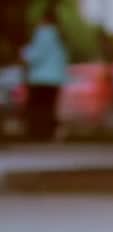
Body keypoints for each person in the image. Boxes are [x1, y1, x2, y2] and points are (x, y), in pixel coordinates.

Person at [21, 8, 68, 142]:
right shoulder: (60, 36)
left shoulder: (43, 33)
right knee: (49, 107)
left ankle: (38, 133)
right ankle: (50, 132)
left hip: (40, 78)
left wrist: (23, 54)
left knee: (37, 108)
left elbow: (35, 54)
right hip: (55, 78)